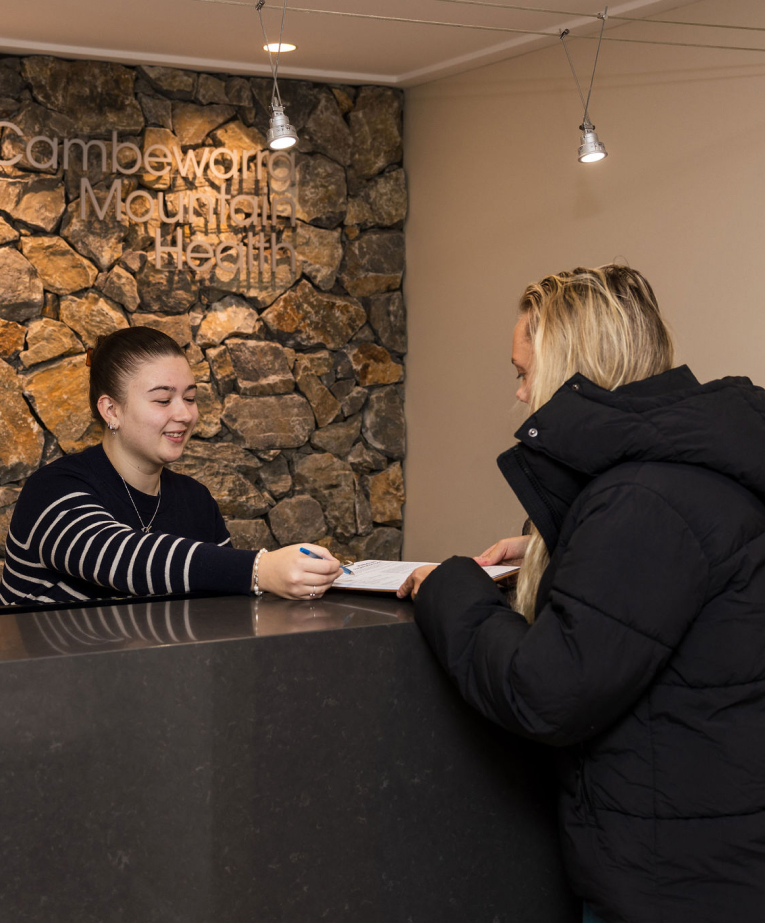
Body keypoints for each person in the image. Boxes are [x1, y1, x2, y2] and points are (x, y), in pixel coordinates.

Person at [398, 265, 765, 923]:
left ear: (572, 367)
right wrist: (571, 546)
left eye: (522, 371)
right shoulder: (687, 470)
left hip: (674, 882)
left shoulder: (644, 499)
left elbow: (547, 691)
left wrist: (449, 584)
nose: (518, 394)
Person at [0, 327, 341, 606]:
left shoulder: (196, 500)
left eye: (190, 398)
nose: (184, 414)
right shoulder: (52, 490)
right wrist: (260, 569)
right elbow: (120, 557)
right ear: (111, 411)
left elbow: (222, 605)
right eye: (163, 400)